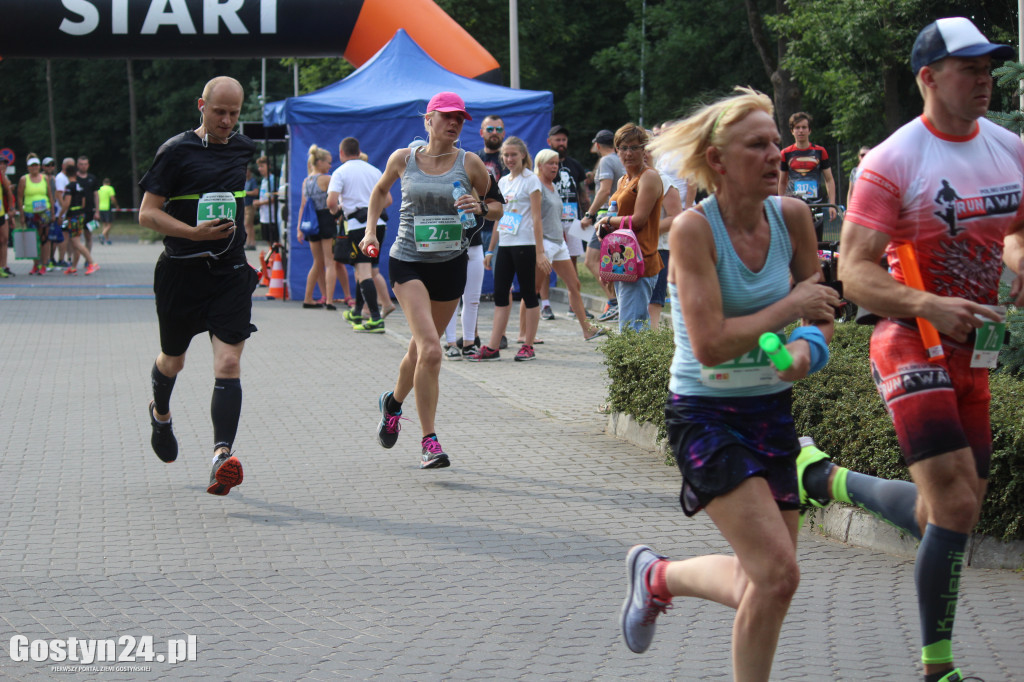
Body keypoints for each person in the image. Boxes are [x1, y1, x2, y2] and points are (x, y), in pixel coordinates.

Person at [810, 18, 1022, 682]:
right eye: (970, 68)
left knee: (945, 509)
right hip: (911, 339)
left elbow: (1017, 234)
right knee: (955, 506)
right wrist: (931, 304)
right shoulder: (892, 161)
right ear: (928, 78)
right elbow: (854, 271)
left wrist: (1016, 272)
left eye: (990, 67)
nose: (985, 79)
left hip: (979, 345)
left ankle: (824, 480)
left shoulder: (1012, 148)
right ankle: (939, 669)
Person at [620, 86, 839, 680]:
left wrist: (805, 352)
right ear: (718, 160)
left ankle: (657, 576)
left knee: (763, 583)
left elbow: (820, 312)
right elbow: (712, 342)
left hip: (771, 413)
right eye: (758, 145)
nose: (776, 156)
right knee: (778, 574)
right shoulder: (693, 229)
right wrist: (788, 306)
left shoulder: (792, 217)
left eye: (776, 142)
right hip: (704, 415)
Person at [138, 75, 258, 496]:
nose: (226, 121)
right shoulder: (175, 151)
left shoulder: (244, 148)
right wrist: (194, 233)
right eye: (219, 112)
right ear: (201, 106)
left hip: (228, 274)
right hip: (180, 273)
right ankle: (161, 412)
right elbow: (147, 214)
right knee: (174, 360)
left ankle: (221, 456)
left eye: (234, 114)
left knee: (228, 364)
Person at [360, 91, 490, 469]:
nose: (454, 123)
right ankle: (429, 441)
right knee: (432, 349)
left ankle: (392, 404)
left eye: (460, 119)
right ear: (428, 120)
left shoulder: (471, 164)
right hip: (408, 262)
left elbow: (495, 204)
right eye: (447, 116)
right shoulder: (404, 158)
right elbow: (380, 190)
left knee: (419, 351)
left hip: (451, 264)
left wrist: (480, 206)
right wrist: (371, 231)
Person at [469, 136, 548, 362]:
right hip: (505, 243)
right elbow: (498, 217)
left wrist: (540, 251)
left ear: (523, 155)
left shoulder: (531, 180)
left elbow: (536, 217)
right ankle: (493, 346)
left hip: (526, 244)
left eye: (514, 154)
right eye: (506, 155)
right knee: (501, 294)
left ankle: (528, 345)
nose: (509, 159)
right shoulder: (502, 182)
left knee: (528, 294)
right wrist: (491, 249)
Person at [594, 123, 663, 332]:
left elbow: (639, 220)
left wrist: (606, 220)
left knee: (632, 329)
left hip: (641, 261)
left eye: (634, 147)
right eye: (623, 148)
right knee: (629, 325)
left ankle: (634, 366)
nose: (628, 153)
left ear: (644, 150)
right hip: (623, 261)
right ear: (616, 151)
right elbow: (620, 221)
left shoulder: (648, 177)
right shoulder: (624, 180)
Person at [533, 148, 605, 340]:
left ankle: (587, 330)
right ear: (540, 165)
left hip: (559, 243)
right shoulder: (536, 187)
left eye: (556, 163)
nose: (555, 167)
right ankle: (525, 334)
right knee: (533, 290)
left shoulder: (553, 186)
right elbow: (535, 219)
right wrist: (539, 249)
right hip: (545, 244)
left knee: (575, 284)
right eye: (551, 163)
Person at [327, 136, 395, 331]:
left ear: (341, 153)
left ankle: (375, 318)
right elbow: (388, 199)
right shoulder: (374, 170)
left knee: (363, 271)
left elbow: (331, 203)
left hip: (358, 226)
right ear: (358, 151)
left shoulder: (340, 172)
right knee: (365, 269)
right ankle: (357, 312)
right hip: (379, 224)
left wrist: (338, 210)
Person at [443, 172, 505, 359]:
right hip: (449, 244)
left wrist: (479, 206)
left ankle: (470, 342)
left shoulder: (479, 181)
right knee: (450, 297)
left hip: (474, 244)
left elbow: (496, 209)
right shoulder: (443, 181)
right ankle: (451, 342)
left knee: (472, 298)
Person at [546, 125, 592, 316]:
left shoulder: (575, 165)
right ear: (550, 142)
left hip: (572, 220)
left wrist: (588, 214)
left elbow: (582, 193)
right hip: (551, 221)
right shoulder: (545, 165)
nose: (561, 143)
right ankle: (545, 304)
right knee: (546, 262)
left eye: (564, 140)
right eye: (558, 139)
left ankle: (575, 306)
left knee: (572, 261)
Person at [581, 129, 625, 321]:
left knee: (591, 260)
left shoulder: (607, 160)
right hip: (619, 215)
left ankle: (615, 302)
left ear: (598, 145)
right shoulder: (619, 159)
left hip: (608, 215)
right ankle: (618, 301)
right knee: (616, 262)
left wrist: (589, 214)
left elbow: (604, 190)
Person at [778, 112, 837, 234]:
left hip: (817, 206)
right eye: (797, 128)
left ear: (809, 130)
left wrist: (832, 204)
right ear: (792, 131)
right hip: (793, 206)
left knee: (818, 245)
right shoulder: (785, 153)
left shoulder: (820, 151)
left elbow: (829, 179)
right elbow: (782, 182)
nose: (801, 131)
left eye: (804, 127)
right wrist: (781, 206)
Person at [296, 144, 339, 310]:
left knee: (317, 262)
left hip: (311, 222)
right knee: (329, 262)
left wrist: (299, 228)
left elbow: (302, 206)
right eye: (328, 162)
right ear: (319, 162)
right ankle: (329, 300)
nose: (330, 165)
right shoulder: (327, 179)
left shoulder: (306, 182)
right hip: (326, 219)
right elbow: (335, 200)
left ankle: (308, 298)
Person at [17, 156, 55, 276]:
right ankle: (35, 264)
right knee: (32, 239)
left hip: (44, 212)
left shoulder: (44, 178)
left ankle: (44, 264)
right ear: (28, 167)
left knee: (44, 238)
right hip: (30, 211)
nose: (34, 168)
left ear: (39, 167)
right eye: (32, 166)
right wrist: (21, 215)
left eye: (36, 165)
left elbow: (50, 195)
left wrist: (53, 212)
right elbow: (19, 197)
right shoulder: (24, 179)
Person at [60, 161, 99, 275]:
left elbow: (66, 203)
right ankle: (73, 267)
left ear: (67, 174)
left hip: (73, 216)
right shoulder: (79, 186)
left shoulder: (69, 187)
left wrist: (60, 215)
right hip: (81, 214)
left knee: (76, 242)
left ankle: (92, 263)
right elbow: (83, 202)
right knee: (74, 241)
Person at [75, 156, 100, 252]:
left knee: (88, 236)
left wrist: (97, 211)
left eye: (85, 164)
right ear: (78, 165)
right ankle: (71, 260)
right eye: (81, 164)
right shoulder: (74, 178)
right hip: (76, 212)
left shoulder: (92, 178)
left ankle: (87, 259)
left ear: (88, 165)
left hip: (89, 211)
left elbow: (96, 195)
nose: (83, 166)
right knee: (74, 237)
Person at [253, 156, 278, 246]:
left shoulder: (272, 179)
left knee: (274, 241)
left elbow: (274, 197)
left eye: (262, 166)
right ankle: (272, 257)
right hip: (264, 216)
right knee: (268, 240)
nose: (260, 169)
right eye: (259, 167)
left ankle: (276, 259)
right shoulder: (263, 180)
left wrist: (260, 203)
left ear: (269, 166)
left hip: (271, 216)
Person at [0, 157, 14, 278]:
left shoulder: (2, 177)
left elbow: (9, 193)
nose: (2, 167)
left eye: (4, 165)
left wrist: (11, 209)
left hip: (1, 213)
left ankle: (3, 266)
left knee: (4, 239)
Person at [97, 177, 119, 245]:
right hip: (107, 208)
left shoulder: (100, 189)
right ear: (109, 183)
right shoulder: (110, 188)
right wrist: (116, 205)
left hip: (100, 208)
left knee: (104, 224)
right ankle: (102, 235)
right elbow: (112, 198)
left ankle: (106, 240)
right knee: (109, 224)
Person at [242, 165, 259, 249]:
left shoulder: (252, 181)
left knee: (247, 224)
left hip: (250, 206)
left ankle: (249, 243)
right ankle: (252, 243)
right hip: (245, 206)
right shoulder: (246, 181)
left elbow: (256, 192)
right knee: (249, 225)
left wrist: (246, 193)